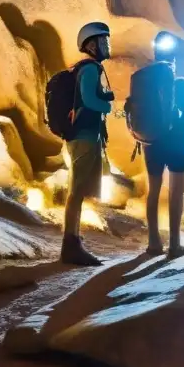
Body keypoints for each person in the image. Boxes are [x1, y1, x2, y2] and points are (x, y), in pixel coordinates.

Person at [135, 31, 184, 258]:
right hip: (175, 143)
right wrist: (178, 124)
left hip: (151, 142)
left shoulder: (144, 81)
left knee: (153, 191)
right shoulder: (182, 84)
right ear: (175, 56)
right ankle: (174, 243)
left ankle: (153, 242)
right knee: (177, 191)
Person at [58, 21, 115, 266]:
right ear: (91, 45)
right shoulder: (90, 69)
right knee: (77, 190)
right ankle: (70, 245)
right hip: (84, 136)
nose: (107, 45)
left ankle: (73, 242)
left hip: (84, 135)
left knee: (78, 190)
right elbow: (89, 99)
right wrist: (107, 105)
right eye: (103, 41)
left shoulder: (88, 68)